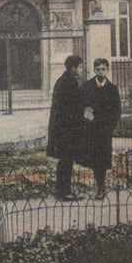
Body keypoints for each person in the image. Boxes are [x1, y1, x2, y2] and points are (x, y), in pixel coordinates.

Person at [79, 58, 121, 200]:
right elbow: (80, 105)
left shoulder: (112, 88)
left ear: (107, 70)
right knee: (92, 158)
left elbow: (117, 111)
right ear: (94, 70)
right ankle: (98, 185)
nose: (101, 72)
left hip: (104, 131)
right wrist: (85, 113)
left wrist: (111, 127)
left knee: (102, 159)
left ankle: (100, 187)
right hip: (90, 129)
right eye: (98, 69)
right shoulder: (86, 86)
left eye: (103, 69)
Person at [46, 54, 84, 201]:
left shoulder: (64, 80)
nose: (81, 70)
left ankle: (62, 190)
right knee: (66, 160)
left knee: (65, 160)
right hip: (66, 129)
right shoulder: (68, 83)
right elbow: (72, 107)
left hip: (62, 127)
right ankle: (64, 192)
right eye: (80, 67)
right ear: (73, 68)